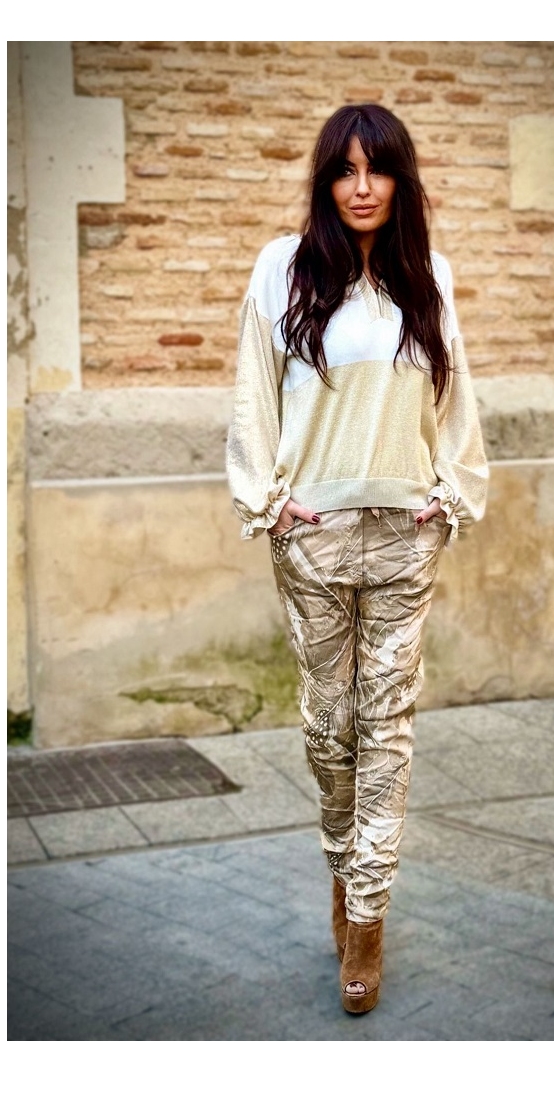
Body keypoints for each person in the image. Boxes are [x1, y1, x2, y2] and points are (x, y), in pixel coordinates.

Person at [226, 104, 488, 1014]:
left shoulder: (428, 276)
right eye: (345, 169)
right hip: (314, 532)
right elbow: (254, 393)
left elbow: (455, 400)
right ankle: (346, 871)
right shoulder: (283, 268)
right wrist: (268, 501)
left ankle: (367, 917)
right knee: (328, 729)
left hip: (406, 530)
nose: (362, 187)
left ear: (401, 181)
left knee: (388, 728)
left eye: (378, 170)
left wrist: (449, 493)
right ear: (326, 181)